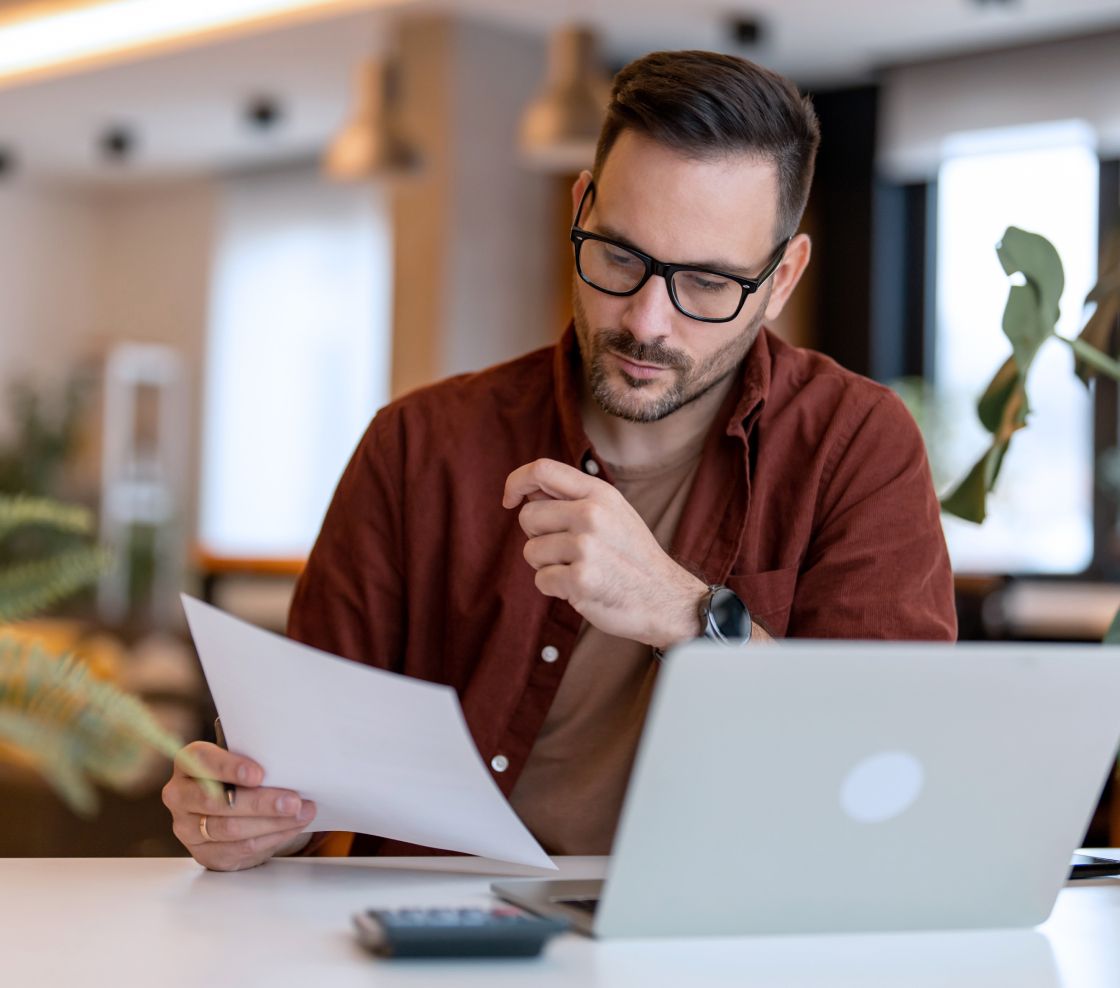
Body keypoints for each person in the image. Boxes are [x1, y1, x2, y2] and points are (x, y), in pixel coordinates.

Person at [163, 50, 956, 871]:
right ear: (581, 208)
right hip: (440, 935)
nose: (648, 321)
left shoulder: (856, 444)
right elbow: (302, 767)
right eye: (619, 257)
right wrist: (252, 817)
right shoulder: (417, 447)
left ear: (782, 277)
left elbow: (890, 767)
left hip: (720, 931)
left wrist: (685, 615)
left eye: (709, 284)